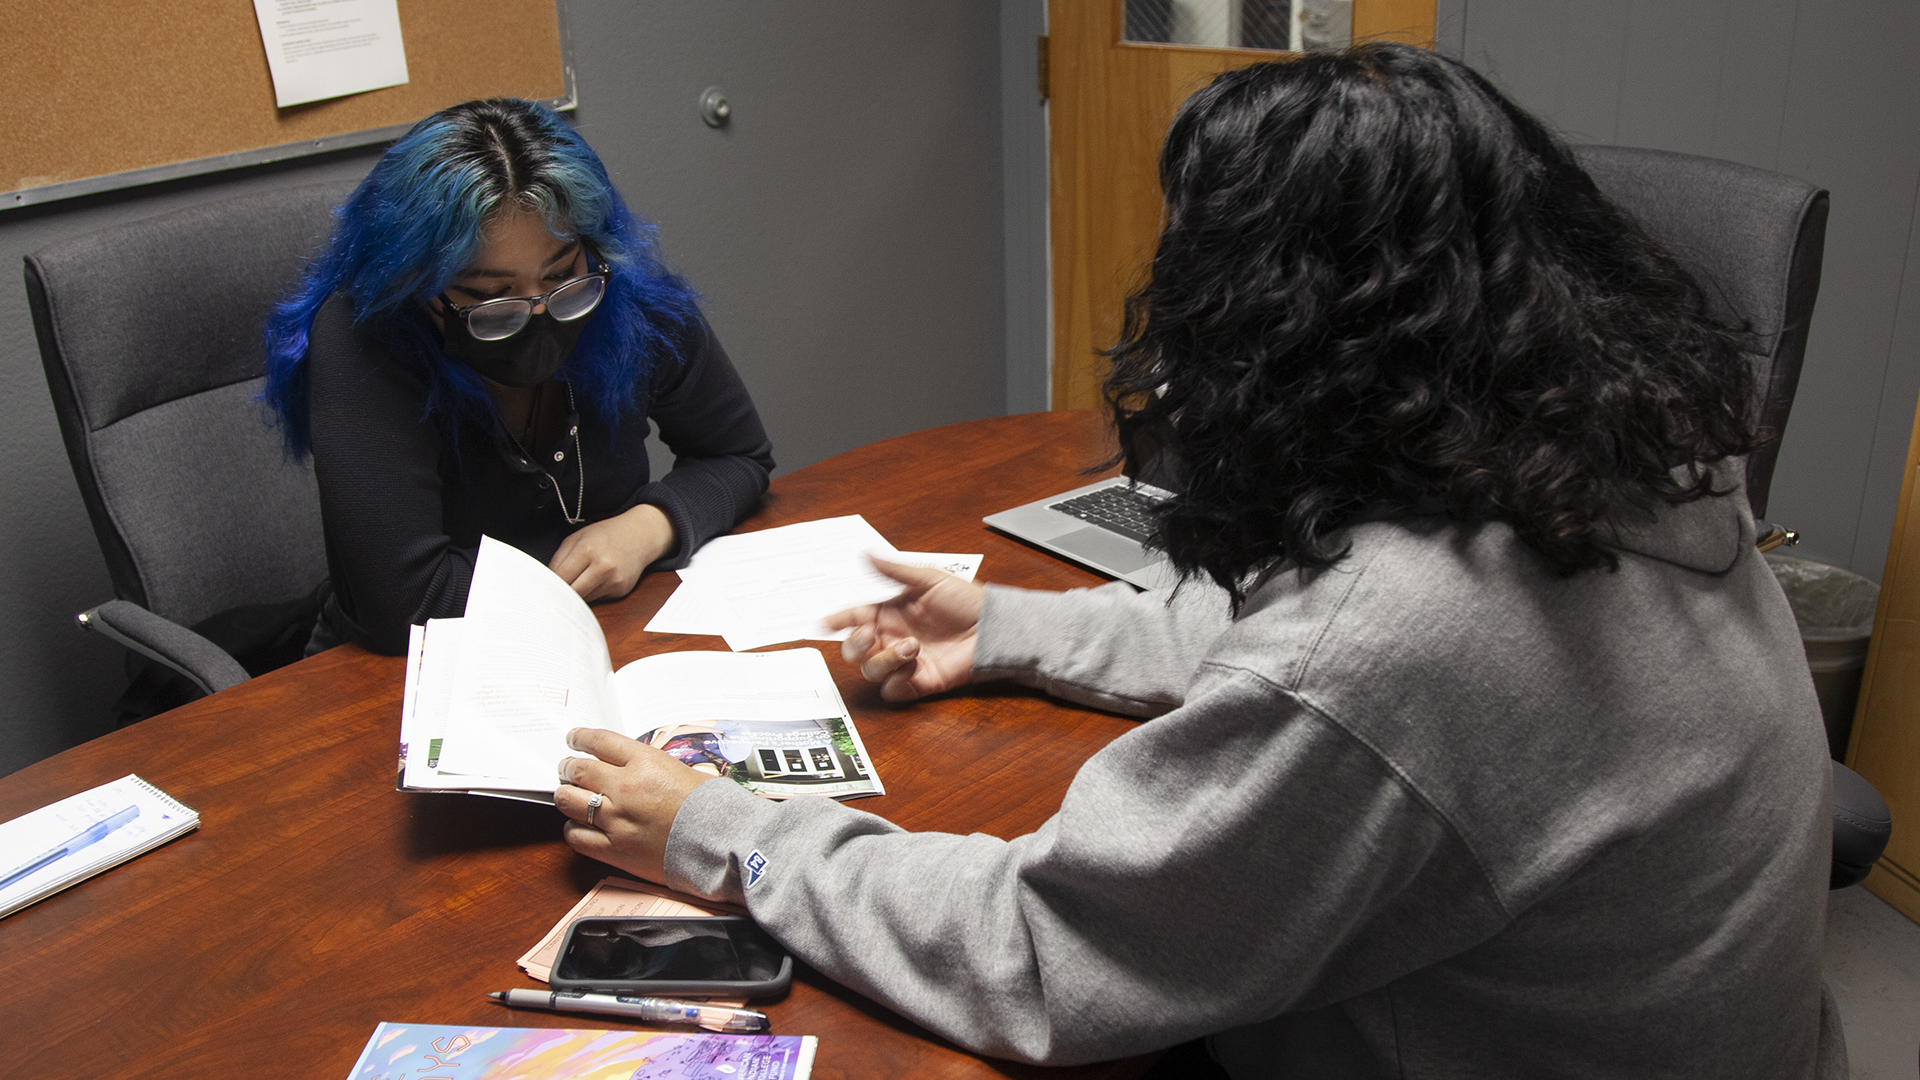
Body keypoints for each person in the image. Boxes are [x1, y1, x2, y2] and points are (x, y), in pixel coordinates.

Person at [547, 45, 1836, 1077]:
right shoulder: (1625, 455)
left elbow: (1043, 954)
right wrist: (1010, 628)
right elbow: (1349, 660)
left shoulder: (1397, 646)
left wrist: (727, 833)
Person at [264, 98, 773, 656]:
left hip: (606, 634)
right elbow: (407, 602)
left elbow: (738, 454)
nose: (536, 314)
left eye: (560, 277)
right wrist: (569, 577)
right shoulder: (365, 333)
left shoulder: (620, 289)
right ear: (410, 284)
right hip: (411, 672)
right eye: (489, 297)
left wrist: (647, 528)